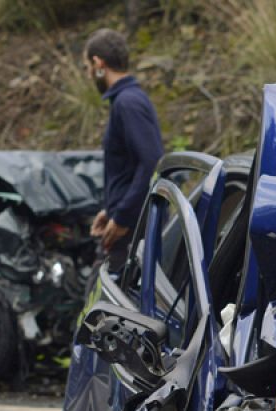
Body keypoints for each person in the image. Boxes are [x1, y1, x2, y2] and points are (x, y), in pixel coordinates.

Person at [84, 29, 163, 273]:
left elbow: (151, 161)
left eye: (87, 67)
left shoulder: (128, 103)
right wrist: (111, 210)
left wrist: (122, 217)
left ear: (98, 63)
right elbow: (129, 167)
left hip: (132, 234)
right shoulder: (128, 100)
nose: (88, 74)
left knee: (100, 293)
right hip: (128, 225)